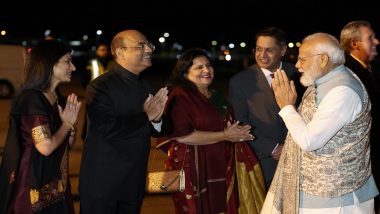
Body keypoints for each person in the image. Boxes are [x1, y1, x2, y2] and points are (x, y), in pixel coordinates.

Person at [262, 32, 379, 213]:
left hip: (335, 197)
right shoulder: (325, 80)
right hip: (314, 193)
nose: (297, 64)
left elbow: (310, 141)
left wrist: (286, 107)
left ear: (324, 60)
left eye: (303, 59)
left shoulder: (342, 91)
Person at [157, 48, 266, 214]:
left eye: (208, 65)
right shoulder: (180, 97)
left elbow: (224, 125)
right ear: (185, 73)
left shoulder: (216, 96)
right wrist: (225, 135)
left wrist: (238, 133)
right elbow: (183, 136)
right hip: (192, 170)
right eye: (198, 67)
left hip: (219, 164)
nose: (206, 70)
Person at [78, 29, 168, 214]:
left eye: (149, 45)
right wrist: (147, 117)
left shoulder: (145, 86)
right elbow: (106, 129)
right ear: (120, 52)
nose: (149, 50)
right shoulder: (99, 86)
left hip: (133, 182)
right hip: (103, 184)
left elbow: (159, 129)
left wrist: (157, 119)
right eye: (141, 46)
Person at [0, 40, 81, 213]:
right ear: (49, 64)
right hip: (34, 188)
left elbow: (67, 144)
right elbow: (46, 146)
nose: (73, 67)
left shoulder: (57, 96)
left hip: (56, 185)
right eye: (67, 61)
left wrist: (71, 127)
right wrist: (67, 123)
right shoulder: (33, 100)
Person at [228, 27, 305, 187]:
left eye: (269, 50)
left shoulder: (300, 75)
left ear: (282, 50)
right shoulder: (240, 81)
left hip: (301, 160)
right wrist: (273, 147)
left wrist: (293, 147)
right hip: (263, 163)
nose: (262, 55)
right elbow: (240, 122)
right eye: (259, 49)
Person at [340, 20, 380, 212]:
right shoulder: (347, 74)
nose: (376, 42)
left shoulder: (370, 69)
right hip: (362, 162)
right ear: (354, 43)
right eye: (370, 38)